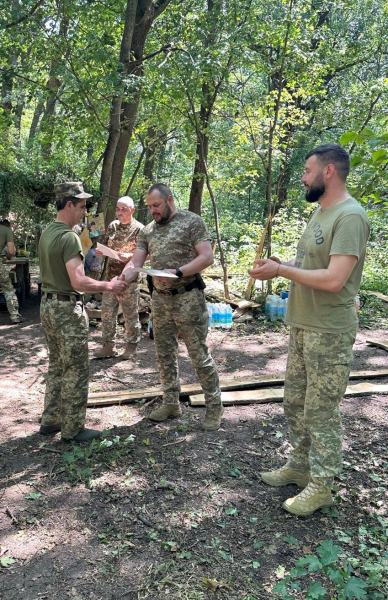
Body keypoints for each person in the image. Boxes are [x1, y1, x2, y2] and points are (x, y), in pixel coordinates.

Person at [249, 144, 370, 516]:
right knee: (295, 403)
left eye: (307, 170)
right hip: (303, 324)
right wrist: (280, 263)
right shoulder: (321, 211)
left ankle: (322, 486)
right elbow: (310, 264)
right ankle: (300, 467)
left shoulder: (349, 216)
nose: (303, 177)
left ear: (328, 172)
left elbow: (335, 279)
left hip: (329, 331)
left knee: (321, 411)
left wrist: (281, 272)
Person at [122, 183, 223, 431]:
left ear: (169, 199)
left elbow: (207, 256)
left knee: (198, 354)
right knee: (164, 353)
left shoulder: (191, 221)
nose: (153, 211)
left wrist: (178, 272)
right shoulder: (147, 231)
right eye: (149, 207)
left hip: (188, 297)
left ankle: (214, 406)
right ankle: (171, 402)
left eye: (156, 205)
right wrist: (120, 280)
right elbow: (136, 262)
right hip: (160, 299)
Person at [38, 182, 128, 443]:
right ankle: (73, 429)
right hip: (66, 309)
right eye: (81, 207)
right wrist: (108, 285)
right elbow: (78, 281)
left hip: (48, 305)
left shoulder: (47, 233)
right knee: (76, 369)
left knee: (56, 365)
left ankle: (51, 420)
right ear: (68, 205)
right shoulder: (67, 237)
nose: (84, 212)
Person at [94, 196, 144, 360]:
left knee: (130, 314)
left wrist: (129, 255)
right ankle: (108, 346)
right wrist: (102, 252)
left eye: (124, 209)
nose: (120, 212)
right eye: (117, 209)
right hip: (111, 278)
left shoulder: (140, 229)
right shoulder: (113, 226)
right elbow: (108, 247)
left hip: (130, 280)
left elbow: (147, 254)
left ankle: (131, 346)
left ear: (132, 210)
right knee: (107, 313)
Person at [0, 219, 23, 324]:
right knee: (8, 288)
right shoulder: (6, 231)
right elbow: (11, 251)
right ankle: (15, 316)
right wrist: (9, 257)